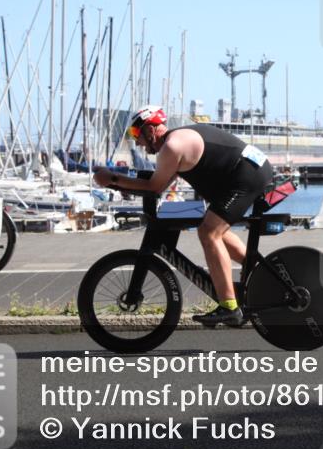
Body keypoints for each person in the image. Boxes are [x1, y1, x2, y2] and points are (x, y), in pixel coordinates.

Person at [93, 105, 274, 327]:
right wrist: (120, 182)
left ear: (150, 130)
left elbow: (154, 186)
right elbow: (160, 183)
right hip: (250, 170)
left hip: (247, 175)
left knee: (209, 232)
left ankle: (229, 308)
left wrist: (112, 179)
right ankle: (259, 273)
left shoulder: (172, 146)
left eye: (135, 133)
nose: (137, 142)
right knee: (215, 229)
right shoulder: (176, 142)